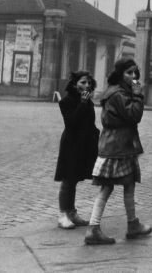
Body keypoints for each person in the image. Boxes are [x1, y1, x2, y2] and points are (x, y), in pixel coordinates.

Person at [84, 58, 151, 245]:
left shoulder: (117, 91)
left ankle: (132, 224)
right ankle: (93, 228)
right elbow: (133, 115)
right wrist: (138, 95)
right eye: (129, 73)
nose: (133, 76)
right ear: (121, 74)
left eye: (135, 72)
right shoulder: (118, 94)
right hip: (117, 147)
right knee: (107, 187)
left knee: (129, 185)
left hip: (121, 146)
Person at [54, 71, 100, 229]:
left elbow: (90, 122)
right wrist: (82, 103)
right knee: (68, 179)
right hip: (71, 144)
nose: (86, 86)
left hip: (84, 143)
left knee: (75, 179)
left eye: (88, 83)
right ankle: (62, 214)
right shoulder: (66, 101)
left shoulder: (88, 102)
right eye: (82, 82)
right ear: (74, 84)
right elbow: (71, 123)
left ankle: (72, 212)